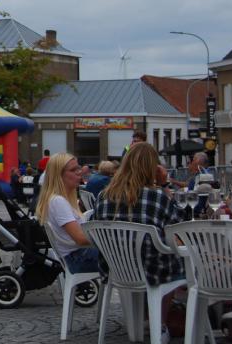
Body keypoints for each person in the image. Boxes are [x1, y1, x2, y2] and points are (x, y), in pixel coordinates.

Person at [94, 143, 185, 344]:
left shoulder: (103, 195)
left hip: (116, 268)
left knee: (158, 253)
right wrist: (165, 185)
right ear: (152, 168)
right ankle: (160, 324)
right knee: (177, 259)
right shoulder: (157, 196)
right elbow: (178, 227)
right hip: (152, 269)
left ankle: (145, 318)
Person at [35, 153, 99, 273]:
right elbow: (80, 239)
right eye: (73, 170)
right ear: (58, 175)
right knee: (127, 257)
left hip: (76, 256)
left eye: (78, 168)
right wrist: (108, 239)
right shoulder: (58, 201)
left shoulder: (57, 199)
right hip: (78, 258)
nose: (79, 172)